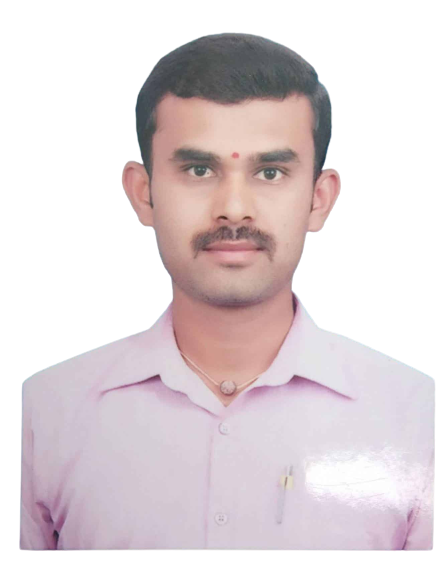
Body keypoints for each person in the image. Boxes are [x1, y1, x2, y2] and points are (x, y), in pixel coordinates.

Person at [20, 33, 434, 551]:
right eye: (199, 170)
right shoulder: (44, 412)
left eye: (269, 172)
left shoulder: (417, 416)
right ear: (143, 194)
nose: (234, 208)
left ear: (319, 199)